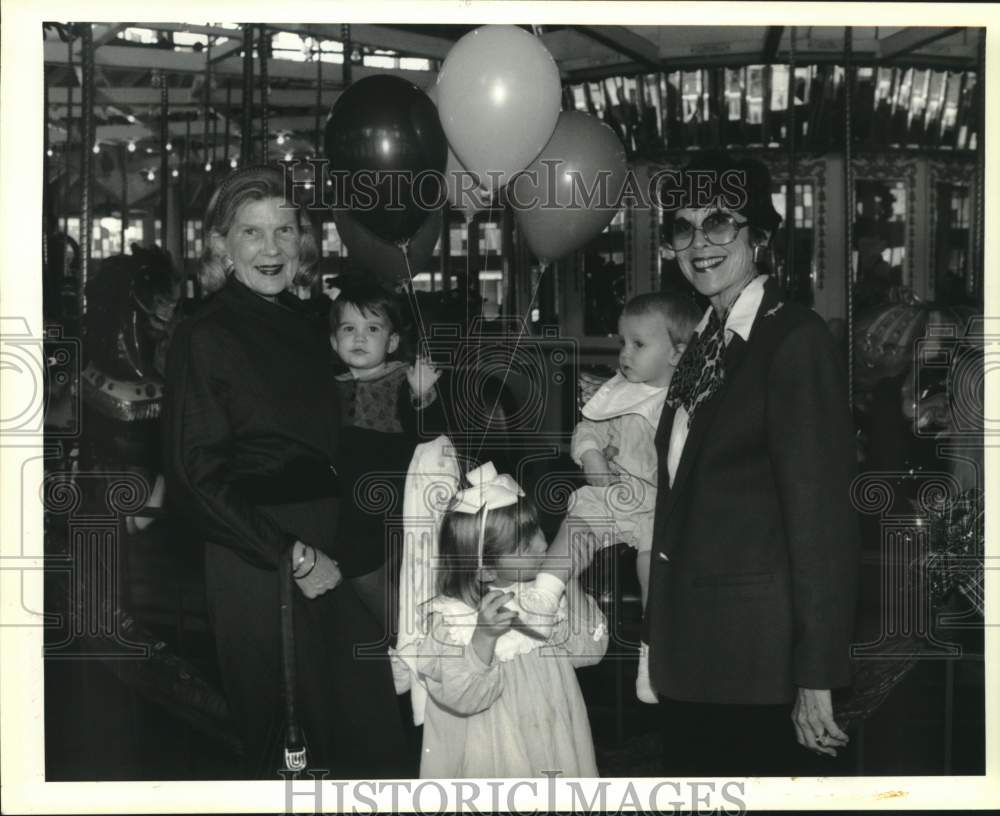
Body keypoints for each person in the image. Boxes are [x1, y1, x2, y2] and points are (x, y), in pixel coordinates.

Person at [163, 164, 409, 778]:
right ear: (221, 246)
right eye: (252, 233)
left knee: (368, 729)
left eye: (284, 230)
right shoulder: (205, 333)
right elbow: (194, 477)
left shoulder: (308, 323)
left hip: (335, 541)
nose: (272, 249)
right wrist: (290, 554)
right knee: (289, 745)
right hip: (259, 555)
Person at [646, 151, 861, 776]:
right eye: (683, 227)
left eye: (719, 222)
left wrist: (817, 674)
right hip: (694, 653)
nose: (699, 243)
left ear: (759, 236)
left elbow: (822, 523)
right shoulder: (705, 344)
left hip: (759, 665)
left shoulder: (793, 339)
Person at [415, 463, 609, 778]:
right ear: (487, 570)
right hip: (497, 756)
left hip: (555, 743)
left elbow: (590, 650)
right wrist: (484, 638)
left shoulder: (543, 592)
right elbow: (463, 698)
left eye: (536, 530)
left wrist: (568, 583)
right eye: (525, 545)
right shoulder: (452, 621)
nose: (543, 545)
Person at [567, 291, 700, 703]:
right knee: (575, 525)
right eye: (622, 342)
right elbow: (590, 428)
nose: (625, 354)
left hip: (659, 507)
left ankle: (651, 649)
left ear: (676, 354)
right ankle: (550, 597)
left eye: (639, 344)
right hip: (617, 489)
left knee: (652, 566)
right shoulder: (622, 388)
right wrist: (592, 457)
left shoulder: (685, 399)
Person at [328, 277, 445, 636]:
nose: (359, 338)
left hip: (396, 507)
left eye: (372, 328)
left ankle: (402, 638)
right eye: (349, 328)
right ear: (334, 342)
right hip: (348, 506)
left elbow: (430, 436)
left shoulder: (401, 380)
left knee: (365, 569)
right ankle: (393, 640)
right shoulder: (329, 386)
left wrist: (422, 395)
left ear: (392, 341)